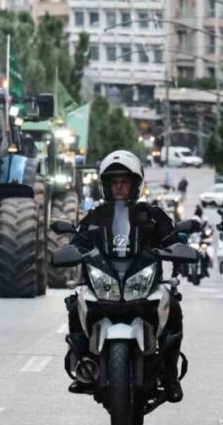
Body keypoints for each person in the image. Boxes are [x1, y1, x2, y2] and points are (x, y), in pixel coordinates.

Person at [65, 150, 185, 403]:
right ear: (107, 186)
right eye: (114, 182)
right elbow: (78, 241)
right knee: (75, 305)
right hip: (104, 282)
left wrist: (178, 250)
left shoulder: (152, 215)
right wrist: (70, 251)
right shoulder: (95, 217)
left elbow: (171, 238)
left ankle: (170, 376)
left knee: (173, 306)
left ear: (134, 185)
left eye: (125, 182)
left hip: (143, 283)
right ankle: (83, 367)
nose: (119, 187)